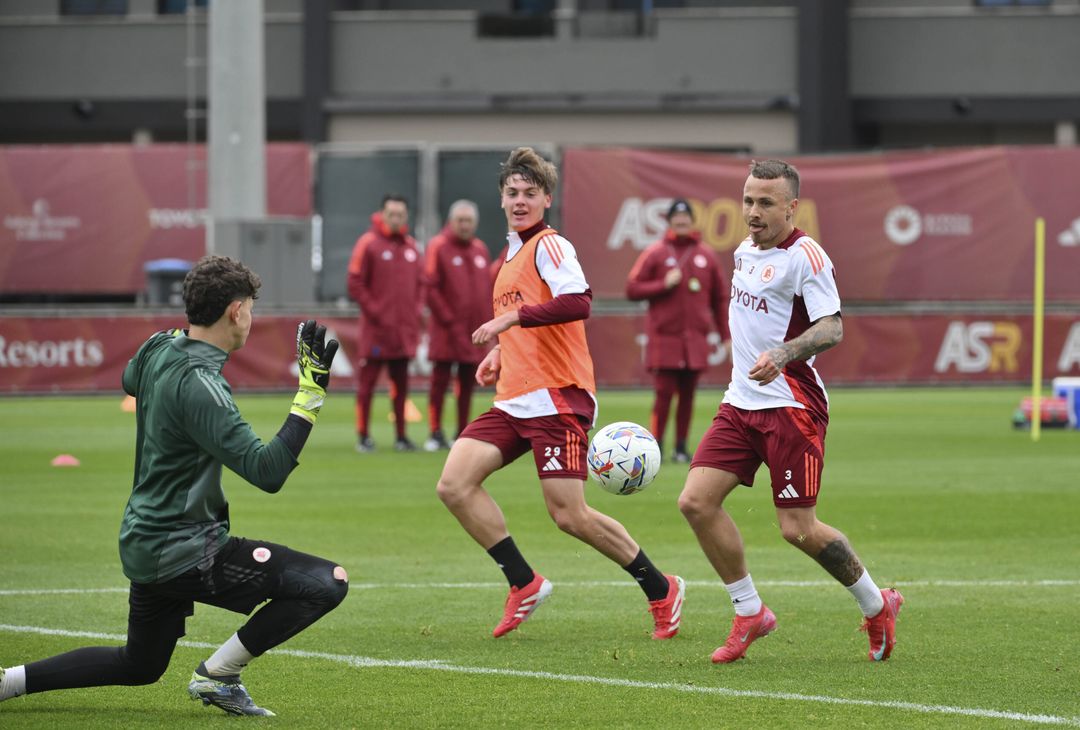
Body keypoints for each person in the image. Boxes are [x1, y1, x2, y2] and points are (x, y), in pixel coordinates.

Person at [0, 255, 346, 716]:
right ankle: (218, 676)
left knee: (139, 664)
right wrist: (311, 392)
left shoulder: (159, 345)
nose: (251, 319)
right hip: (185, 550)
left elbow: (129, 380)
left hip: (146, 540)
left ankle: (7, 682)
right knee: (327, 582)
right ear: (236, 311)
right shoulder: (203, 386)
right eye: (251, 309)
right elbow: (268, 473)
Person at [435, 147, 684, 640]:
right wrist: (502, 352)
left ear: (546, 198)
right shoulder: (507, 258)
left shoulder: (550, 245)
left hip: (557, 397)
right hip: (514, 398)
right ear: (501, 199)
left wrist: (510, 319)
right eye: (513, 193)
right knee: (454, 485)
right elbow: (533, 319)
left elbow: (578, 301)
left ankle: (661, 588)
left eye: (530, 193)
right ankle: (523, 582)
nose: (520, 200)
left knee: (568, 514)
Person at [676, 160, 903, 665]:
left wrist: (782, 353)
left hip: (791, 408)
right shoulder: (742, 251)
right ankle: (749, 611)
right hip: (739, 403)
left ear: (791, 207)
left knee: (797, 528)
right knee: (695, 501)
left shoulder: (807, 257)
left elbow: (832, 328)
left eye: (765, 203)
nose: (753, 212)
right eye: (748, 200)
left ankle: (876, 604)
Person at [626, 198, 730, 463]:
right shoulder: (656, 252)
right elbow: (632, 288)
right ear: (670, 221)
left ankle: (681, 448)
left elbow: (720, 298)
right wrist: (662, 284)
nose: (681, 222)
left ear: (691, 221)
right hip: (665, 340)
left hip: (695, 340)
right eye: (677, 219)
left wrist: (726, 336)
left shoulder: (706, 254)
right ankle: (655, 447)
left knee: (688, 396)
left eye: (686, 219)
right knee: (663, 395)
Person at [347, 194, 424, 453]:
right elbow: (355, 282)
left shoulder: (412, 247)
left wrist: (414, 311)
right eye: (391, 214)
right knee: (367, 385)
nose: (396, 219)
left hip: (402, 332)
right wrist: (376, 312)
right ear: (381, 215)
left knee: (401, 387)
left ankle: (401, 436)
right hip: (376, 332)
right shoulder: (368, 244)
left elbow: (421, 284)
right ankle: (363, 435)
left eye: (400, 214)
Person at [423, 199, 492, 451]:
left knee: (467, 382)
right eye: (460, 220)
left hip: (474, 331)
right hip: (445, 331)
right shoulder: (438, 246)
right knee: (439, 381)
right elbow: (429, 287)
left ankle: (462, 432)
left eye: (469, 221)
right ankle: (435, 432)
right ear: (451, 222)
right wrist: (449, 319)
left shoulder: (480, 250)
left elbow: (485, 290)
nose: (465, 226)